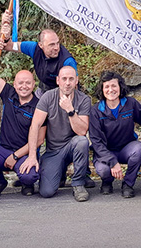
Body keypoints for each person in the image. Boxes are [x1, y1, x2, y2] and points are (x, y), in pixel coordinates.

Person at [19, 65, 93, 201]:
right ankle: (60, 173)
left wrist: (70, 110)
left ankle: (78, 183)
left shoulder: (84, 99)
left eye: (71, 79)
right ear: (58, 80)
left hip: (73, 146)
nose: (67, 82)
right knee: (46, 192)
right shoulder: (48, 97)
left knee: (82, 141)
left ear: (76, 81)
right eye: (64, 79)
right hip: (53, 151)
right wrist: (31, 156)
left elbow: (82, 131)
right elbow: (35, 125)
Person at [0, 68, 42, 199]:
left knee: (29, 175)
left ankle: (27, 183)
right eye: (20, 83)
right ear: (14, 84)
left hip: (25, 153)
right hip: (3, 149)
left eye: (28, 83)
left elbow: (40, 140)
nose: (24, 86)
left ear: (34, 84)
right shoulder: (9, 93)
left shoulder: (39, 106)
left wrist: (15, 156)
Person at [88, 71, 141, 198]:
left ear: (120, 87)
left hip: (126, 149)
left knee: (140, 148)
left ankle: (128, 184)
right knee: (104, 170)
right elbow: (96, 142)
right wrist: (113, 162)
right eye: (107, 87)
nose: (111, 90)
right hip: (105, 151)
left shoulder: (130, 103)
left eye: (114, 86)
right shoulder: (96, 111)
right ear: (102, 89)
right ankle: (107, 182)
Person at [0, 27, 78, 93]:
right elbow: (9, 46)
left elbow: (73, 87)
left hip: (62, 92)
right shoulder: (33, 48)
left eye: (57, 43)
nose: (56, 48)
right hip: (43, 87)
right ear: (41, 45)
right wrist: (5, 35)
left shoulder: (67, 61)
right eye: (51, 45)